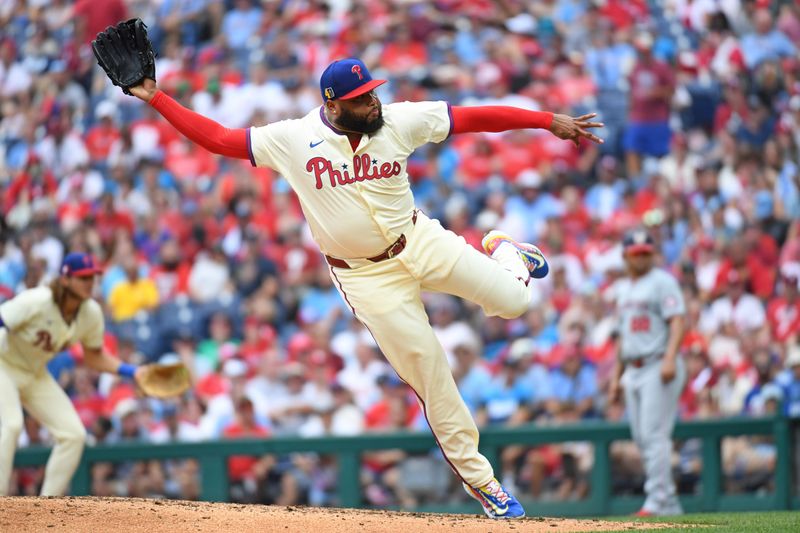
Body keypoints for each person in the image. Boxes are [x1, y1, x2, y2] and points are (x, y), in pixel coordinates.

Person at [122, 57, 603, 519]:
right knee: (428, 370)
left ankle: (508, 253)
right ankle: (484, 483)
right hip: (364, 275)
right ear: (333, 106)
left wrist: (545, 120)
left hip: (418, 238)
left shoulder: (399, 121)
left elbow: (473, 116)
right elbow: (221, 139)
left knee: (516, 301)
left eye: (372, 92)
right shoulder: (295, 138)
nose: (372, 103)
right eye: (360, 99)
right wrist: (158, 98)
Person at [0, 252, 146, 496]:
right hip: (4, 362)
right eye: (83, 278)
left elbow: (93, 356)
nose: (90, 283)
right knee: (12, 424)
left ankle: (46, 508)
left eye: (92, 277)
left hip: (35, 373)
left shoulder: (91, 313)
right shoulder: (38, 300)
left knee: (73, 434)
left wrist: (132, 371)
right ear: (65, 280)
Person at [608, 229, 687, 516]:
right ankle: (670, 503)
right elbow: (622, 339)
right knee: (642, 438)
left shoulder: (663, 281)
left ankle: (658, 501)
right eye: (636, 254)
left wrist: (669, 358)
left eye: (645, 253)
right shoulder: (623, 288)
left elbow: (677, 322)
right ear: (626, 256)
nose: (641, 258)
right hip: (634, 367)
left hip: (657, 364)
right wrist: (615, 379)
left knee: (654, 436)